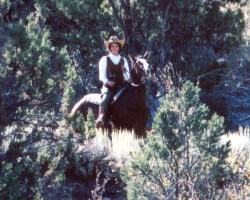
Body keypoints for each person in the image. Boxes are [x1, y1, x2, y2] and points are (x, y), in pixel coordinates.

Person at [96, 35, 130, 127]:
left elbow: (127, 77)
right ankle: (100, 118)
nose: (114, 48)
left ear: (119, 47)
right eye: (112, 46)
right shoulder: (105, 59)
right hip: (109, 86)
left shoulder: (124, 60)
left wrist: (124, 72)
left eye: (116, 46)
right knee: (105, 98)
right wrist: (108, 82)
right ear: (109, 48)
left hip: (121, 86)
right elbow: (101, 76)